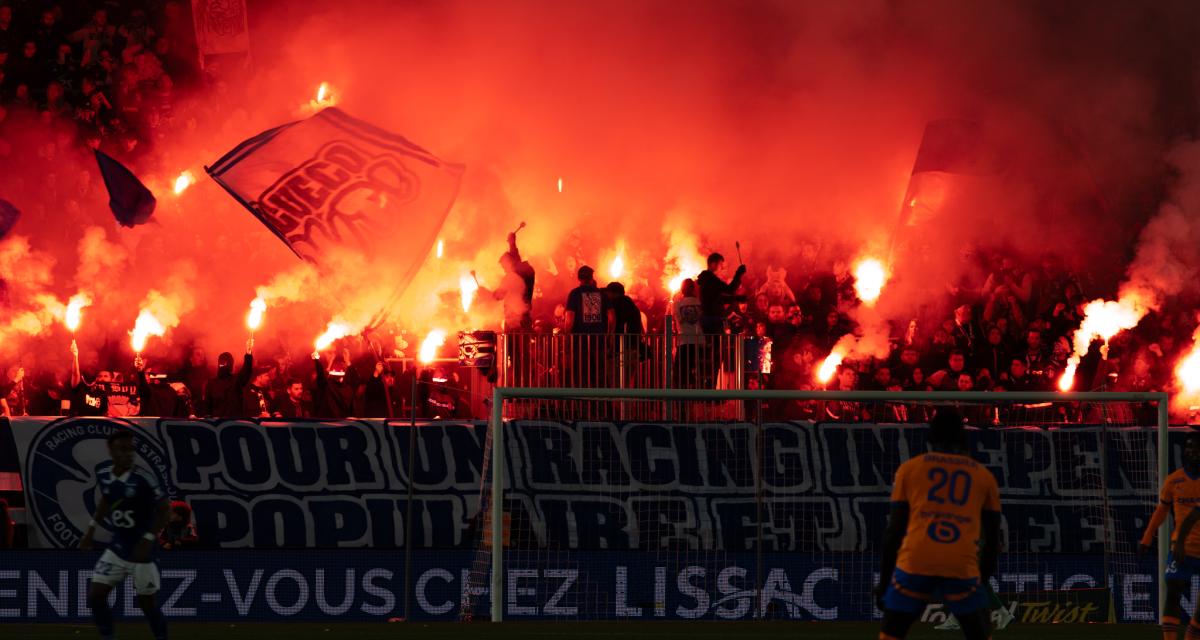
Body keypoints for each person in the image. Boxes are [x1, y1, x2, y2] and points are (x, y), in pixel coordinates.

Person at [875, 408, 1001, 640]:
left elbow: (894, 531)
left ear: (930, 436)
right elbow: (993, 539)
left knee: (892, 633)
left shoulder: (910, 469)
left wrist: (884, 582)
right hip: (960, 562)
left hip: (916, 560)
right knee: (980, 634)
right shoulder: (983, 476)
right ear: (962, 436)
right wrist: (980, 581)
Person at [78, 430, 170, 640]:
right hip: (118, 547)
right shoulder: (104, 475)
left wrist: (148, 539)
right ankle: (108, 636)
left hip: (141, 552)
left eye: (131, 449)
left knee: (147, 605)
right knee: (95, 596)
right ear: (111, 451)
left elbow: (165, 509)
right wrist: (90, 530)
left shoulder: (144, 478)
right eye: (123, 449)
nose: (129, 454)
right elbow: (106, 499)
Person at [1140, 431, 1200, 640]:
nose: (1192, 452)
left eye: (1197, 448)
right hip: (1182, 548)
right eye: (1189, 447)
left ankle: (1192, 634)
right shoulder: (1174, 481)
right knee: (1173, 592)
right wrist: (1147, 537)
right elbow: (1162, 510)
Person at [492, 231, 536, 331]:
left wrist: (485, 294)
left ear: (509, 263)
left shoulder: (514, 276)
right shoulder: (526, 272)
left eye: (504, 266)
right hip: (524, 319)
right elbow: (515, 259)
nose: (504, 269)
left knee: (514, 345)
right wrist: (512, 243)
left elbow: (499, 295)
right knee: (523, 345)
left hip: (515, 322)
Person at [697, 252, 746, 334]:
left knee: (713, 344)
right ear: (713, 264)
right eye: (720, 264)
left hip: (709, 319)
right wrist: (739, 273)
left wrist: (737, 298)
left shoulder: (706, 279)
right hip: (712, 320)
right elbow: (730, 289)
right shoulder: (709, 278)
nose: (722, 268)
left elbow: (717, 298)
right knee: (715, 344)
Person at [204, 342, 252, 416]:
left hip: (233, 424)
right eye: (221, 362)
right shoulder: (211, 383)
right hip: (217, 425)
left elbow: (246, 372)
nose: (223, 364)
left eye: (226, 362)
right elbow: (207, 405)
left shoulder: (236, 380)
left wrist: (248, 354)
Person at [673, 279, 703, 388]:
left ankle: (682, 400)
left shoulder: (676, 304)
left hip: (684, 341)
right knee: (695, 371)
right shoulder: (700, 303)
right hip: (699, 341)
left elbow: (675, 319)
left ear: (682, 289)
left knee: (680, 372)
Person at [69, 341, 108, 416]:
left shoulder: (102, 393)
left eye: (95, 358)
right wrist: (75, 356)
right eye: (90, 358)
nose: (93, 361)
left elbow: (105, 416)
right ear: (85, 361)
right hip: (77, 426)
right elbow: (75, 374)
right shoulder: (78, 386)